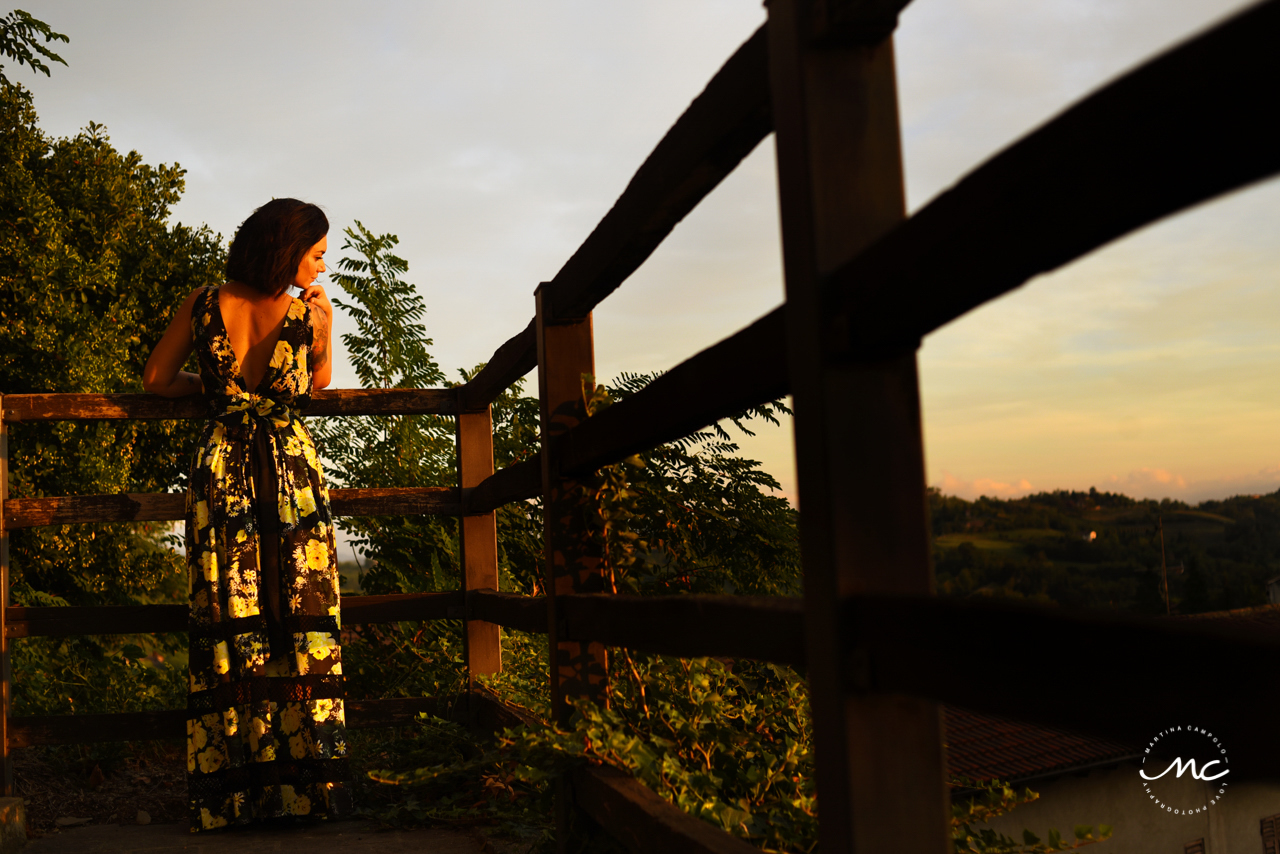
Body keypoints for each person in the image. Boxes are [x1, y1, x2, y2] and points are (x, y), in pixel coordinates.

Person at [143, 198, 350, 830]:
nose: (321, 264)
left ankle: (230, 794)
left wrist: (211, 392)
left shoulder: (204, 302)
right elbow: (316, 386)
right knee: (303, 616)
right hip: (290, 476)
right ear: (287, 251)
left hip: (223, 472)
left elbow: (155, 378)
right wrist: (323, 330)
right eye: (315, 253)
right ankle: (304, 790)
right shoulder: (306, 312)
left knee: (228, 619)